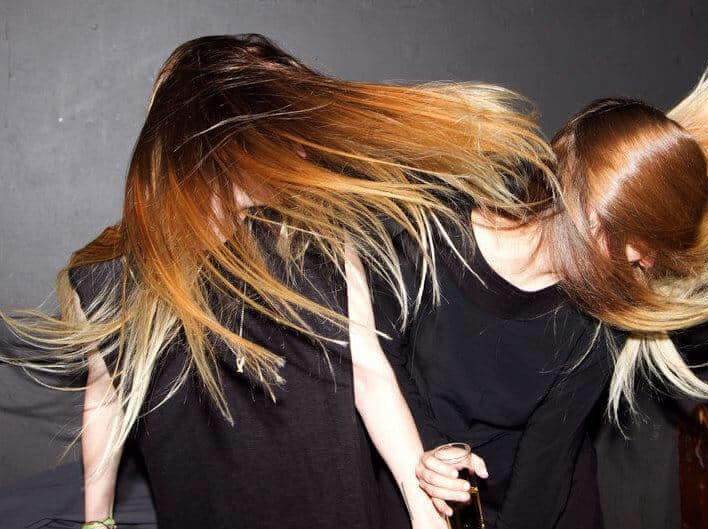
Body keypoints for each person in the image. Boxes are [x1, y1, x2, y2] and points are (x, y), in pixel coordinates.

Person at [0, 33, 557, 529]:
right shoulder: (110, 278)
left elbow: (369, 371)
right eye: (282, 132)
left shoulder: (313, 246)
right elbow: (106, 399)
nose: (301, 151)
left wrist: (421, 508)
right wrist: (98, 521)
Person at [380, 37, 708, 529]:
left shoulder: (598, 321)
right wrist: (429, 457)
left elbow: (546, 466)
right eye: (640, 245)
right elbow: (384, 361)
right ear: (593, 215)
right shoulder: (429, 237)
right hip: (408, 484)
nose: (645, 264)